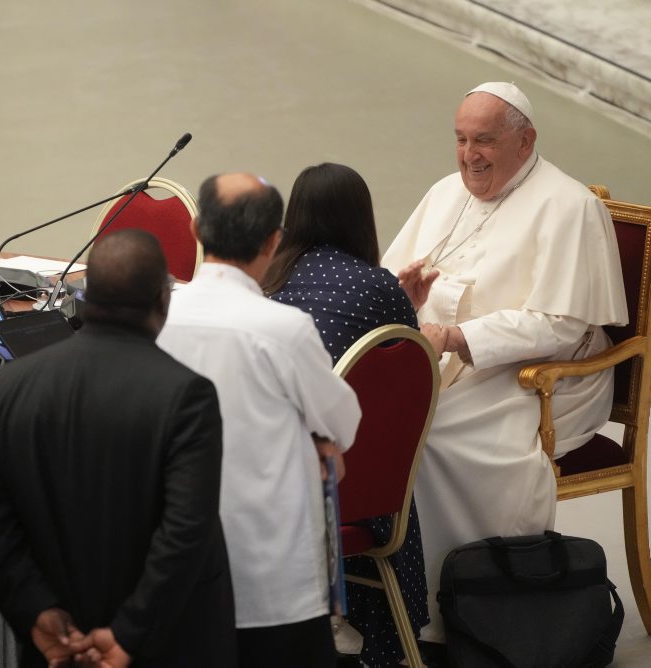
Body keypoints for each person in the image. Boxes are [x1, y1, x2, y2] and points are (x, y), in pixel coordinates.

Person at [381, 82, 628, 643]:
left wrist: (455, 334)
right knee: (384, 420)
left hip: (548, 377)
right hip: (454, 359)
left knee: (435, 436)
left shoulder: (571, 207)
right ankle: (394, 601)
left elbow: (562, 326)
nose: (470, 156)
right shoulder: (447, 192)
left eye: (485, 141)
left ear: (526, 140)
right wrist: (405, 298)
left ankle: (468, 613)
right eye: (462, 140)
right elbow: (393, 275)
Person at [0, 229, 236, 667]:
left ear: (85, 296)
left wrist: (37, 612)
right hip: (161, 646)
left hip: (54, 645)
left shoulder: (10, 387)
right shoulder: (187, 395)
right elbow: (185, 532)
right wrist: (128, 634)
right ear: (162, 301)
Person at [157, 172, 361, 666]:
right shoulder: (284, 330)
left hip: (176, 561)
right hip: (272, 569)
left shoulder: (157, 318)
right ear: (274, 241)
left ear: (197, 231)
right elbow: (343, 423)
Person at [262, 162, 429, 667]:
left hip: (269, 479)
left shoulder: (269, 280)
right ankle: (391, 640)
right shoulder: (378, 286)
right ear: (361, 219)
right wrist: (409, 302)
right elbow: (406, 372)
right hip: (346, 490)